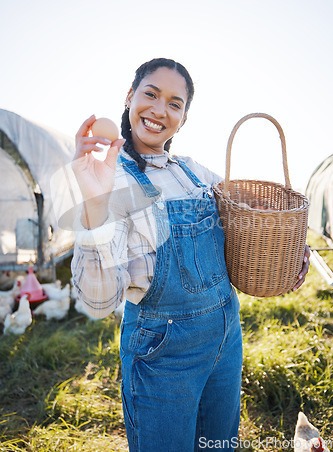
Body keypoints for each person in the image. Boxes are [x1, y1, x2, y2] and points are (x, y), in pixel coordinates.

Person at [71, 58, 310, 451]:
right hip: (164, 353)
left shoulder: (194, 173)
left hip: (226, 339)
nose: (160, 110)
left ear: (183, 116)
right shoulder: (111, 180)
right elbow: (98, 301)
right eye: (150, 94)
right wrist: (95, 204)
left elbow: (254, 216)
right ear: (130, 97)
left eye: (175, 103)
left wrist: (289, 242)